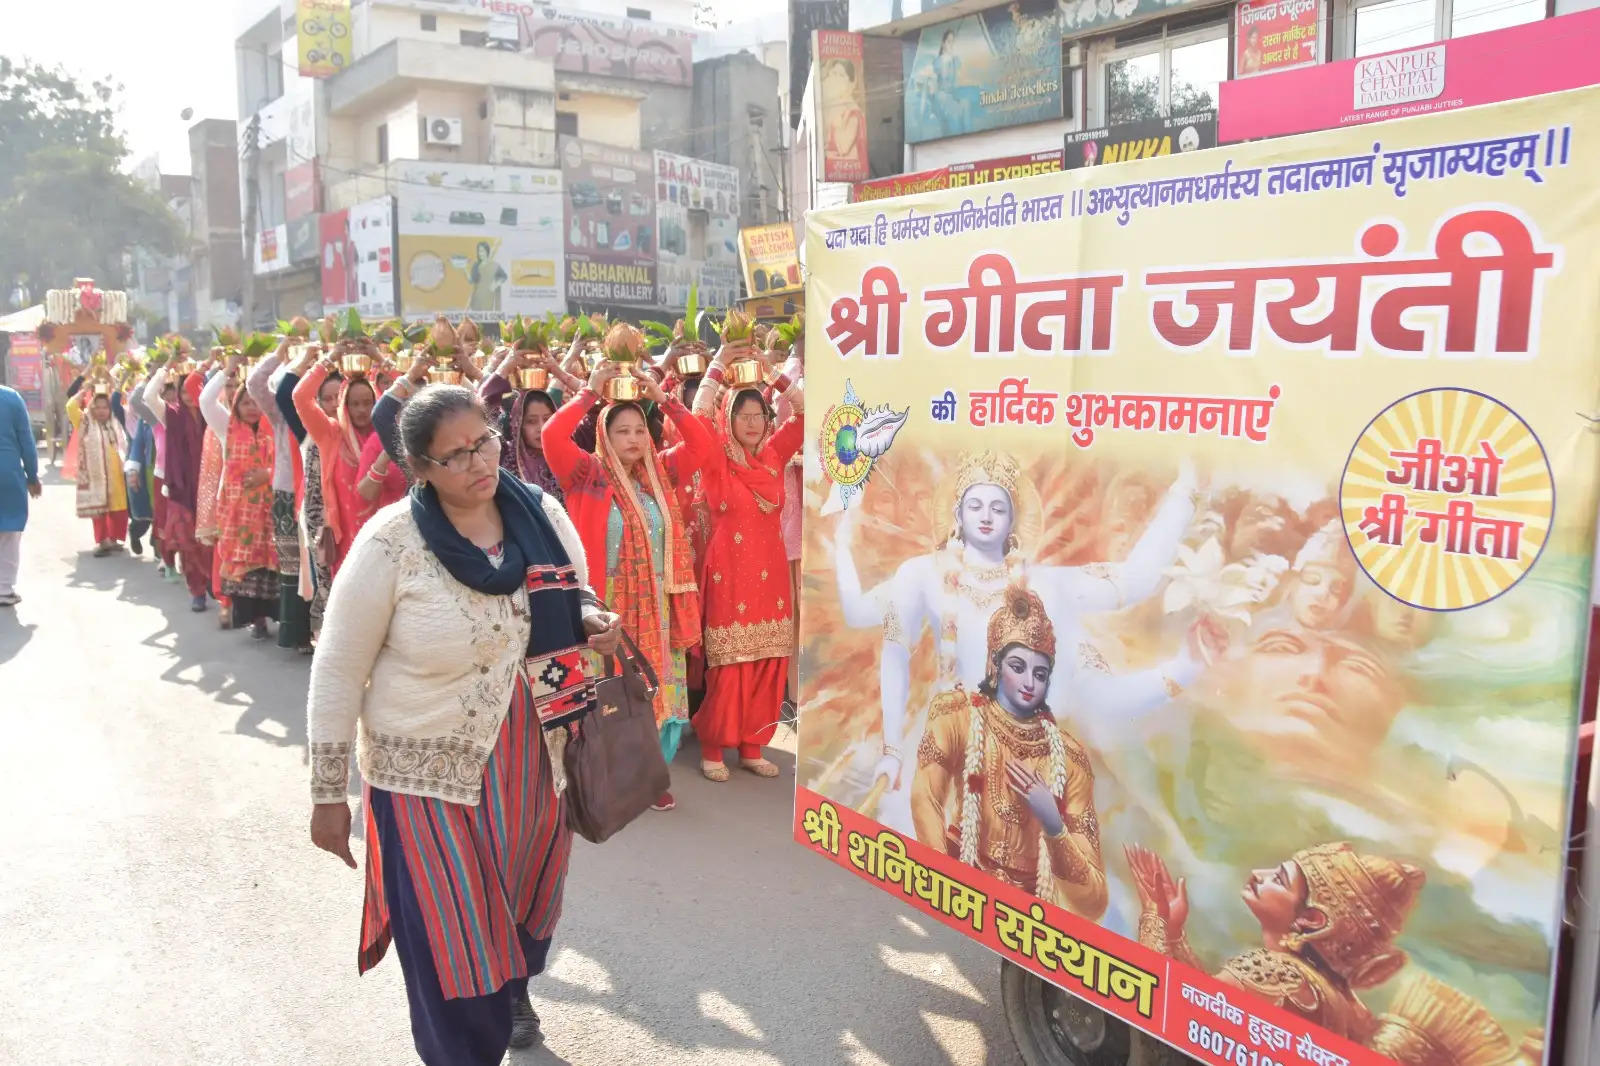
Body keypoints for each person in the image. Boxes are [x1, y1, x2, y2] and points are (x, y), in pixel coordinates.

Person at [308, 384, 620, 1065]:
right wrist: (328, 792)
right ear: (419, 467)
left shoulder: (540, 513)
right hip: (424, 776)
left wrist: (591, 617)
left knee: (518, 916)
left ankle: (509, 991)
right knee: (452, 947)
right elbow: (337, 668)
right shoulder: (390, 544)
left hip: (538, 758)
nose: (479, 463)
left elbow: (577, 587)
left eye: (485, 442)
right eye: (455, 456)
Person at [542, 360, 716, 812]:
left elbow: (703, 443)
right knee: (609, 694)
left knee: (652, 691)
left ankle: (648, 776)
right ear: (604, 435)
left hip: (658, 608)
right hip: (609, 609)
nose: (635, 439)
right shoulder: (587, 476)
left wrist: (665, 400)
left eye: (640, 429)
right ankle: (602, 775)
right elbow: (551, 438)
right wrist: (588, 392)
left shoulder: (661, 475)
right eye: (623, 431)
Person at [911, 587, 1108, 917]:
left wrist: (1053, 823)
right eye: (1018, 666)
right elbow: (925, 798)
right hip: (963, 882)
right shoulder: (957, 716)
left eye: (1040, 673)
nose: (1030, 682)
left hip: (1029, 915)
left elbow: (1094, 898)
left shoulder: (1069, 759)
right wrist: (945, 882)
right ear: (994, 663)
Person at [1126, 841, 1423, 1043]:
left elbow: (1170, 1012)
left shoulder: (1279, 973)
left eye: (1278, 879)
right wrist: (1174, 933)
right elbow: (1205, 998)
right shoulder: (1336, 1000)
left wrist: (1155, 920)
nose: (1258, 875)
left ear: (1311, 919)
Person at [689, 344, 805, 781]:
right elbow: (696, 422)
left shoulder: (774, 454)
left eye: (759, 415)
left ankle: (753, 746)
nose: (753, 423)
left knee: (768, 659)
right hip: (729, 574)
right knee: (730, 663)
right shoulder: (717, 460)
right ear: (729, 420)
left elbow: (805, 413)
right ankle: (714, 747)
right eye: (743, 415)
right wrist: (718, 366)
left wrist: (772, 372)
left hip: (769, 573)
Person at [292, 344, 382, 577]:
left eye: (368, 402)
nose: (362, 410)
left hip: (385, 539)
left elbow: (409, 397)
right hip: (347, 543)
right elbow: (300, 397)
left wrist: (379, 357)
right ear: (344, 405)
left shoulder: (385, 436)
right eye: (355, 404)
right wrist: (329, 360)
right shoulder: (331, 435)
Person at [248, 341, 313, 651]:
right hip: (288, 492)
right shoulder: (280, 412)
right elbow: (255, 383)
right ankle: (296, 633)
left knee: (316, 563)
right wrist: (284, 351)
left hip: (317, 490)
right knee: (293, 562)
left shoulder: (323, 409)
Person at [214, 356, 279, 639]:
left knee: (272, 566)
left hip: (272, 509)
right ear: (235, 406)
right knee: (249, 570)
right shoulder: (226, 429)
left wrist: (268, 474)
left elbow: (287, 463)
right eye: (245, 403)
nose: (252, 408)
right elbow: (205, 399)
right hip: (240, 518)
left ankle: (273, 616)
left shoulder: (274, 427)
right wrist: (227, 369)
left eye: (256, 403)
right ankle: (256, 620)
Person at [159, 369, 215, 611]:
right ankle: (197, 591)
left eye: (193, 389)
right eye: (183, 391)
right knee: (189, 544)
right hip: (183, 489)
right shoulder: (172, 415)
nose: (188, 395)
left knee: (211, 542)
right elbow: (149, 395)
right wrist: (169, 364)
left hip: (210, 488)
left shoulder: (212, 415)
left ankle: (216, 587)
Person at [69, 387, 131, 555]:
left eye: (105, 407)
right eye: (98, 407)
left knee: (119, 508)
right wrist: (83, 391)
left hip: (116, 474)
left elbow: (123, 446)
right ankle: (103, 541)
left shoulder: (114, 423)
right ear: (91, 407)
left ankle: (114, 538)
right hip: (96, 475)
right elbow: (70, 407)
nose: (102, 411)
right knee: (99, 511)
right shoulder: (85, 422)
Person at [0, 383, 41, 607]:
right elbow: (26, 440)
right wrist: (32, 476)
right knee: (9, 532)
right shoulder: (11, 398)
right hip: (7, 473)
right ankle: (4, 589)